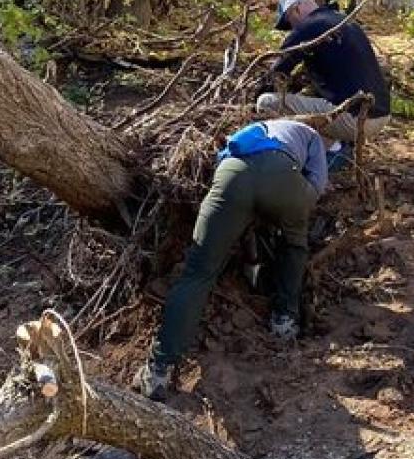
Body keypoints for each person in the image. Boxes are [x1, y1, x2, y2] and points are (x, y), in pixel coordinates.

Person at [136, 118, 329, 400]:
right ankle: (284, 321)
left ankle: (159, 371)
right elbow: (317, 185)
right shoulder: (312, 135)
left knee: (198, 272)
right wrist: (295, 208)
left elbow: (238, 175)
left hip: (231, 174)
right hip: (282, 175)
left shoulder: (251, 130)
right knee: (294, 245)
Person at [255, 0, 392, 144]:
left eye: (289, 22)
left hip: (354, 119)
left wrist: (252, 103)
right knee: (313, 104)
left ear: (297, 9)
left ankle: (287, 154)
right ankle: (329, 152)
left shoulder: (308, 27)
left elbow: (276, 73)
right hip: (380, 114)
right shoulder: (344, 21)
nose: (291, 28)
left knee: (266, 102)